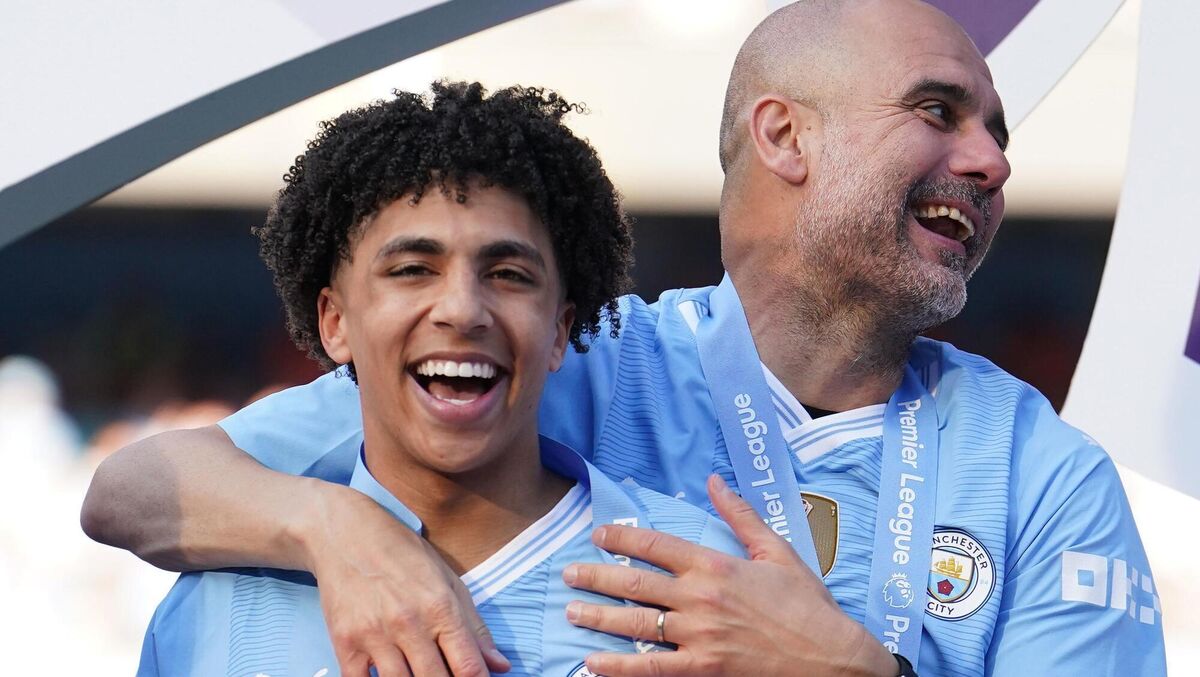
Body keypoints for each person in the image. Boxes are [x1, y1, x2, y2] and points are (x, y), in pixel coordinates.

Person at [84, 1, 1166, 675]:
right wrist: (334, 526)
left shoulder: (1043, 474)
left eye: (999, 132)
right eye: (941, 112)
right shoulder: (569, 354)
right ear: (783, 134)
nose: (991, 161)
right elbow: (136, 489)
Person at [135, 81, 765, 676]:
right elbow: (125, 494)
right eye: (413, 269)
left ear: (557, 332)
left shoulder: (704, 585)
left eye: (509, 274)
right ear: (334, 322)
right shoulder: (214, 608)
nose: (462, 310)